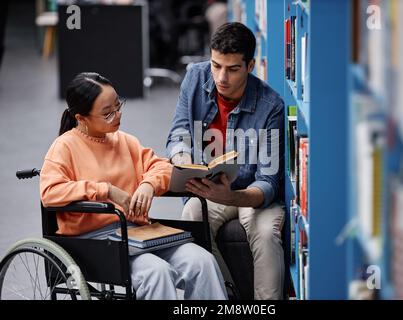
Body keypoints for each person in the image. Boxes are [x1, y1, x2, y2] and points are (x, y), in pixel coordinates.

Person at [40, 72, 227, 300]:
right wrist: (105, 190)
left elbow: (163, 167)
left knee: (202, 261)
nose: (117, 116)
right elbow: (50, 192)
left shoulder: (126, 141)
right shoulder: (64, 147)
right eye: (108, 113)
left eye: (118, 106)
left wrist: (148, 184)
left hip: (139, 232)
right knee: (156, 273)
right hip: (95, 241)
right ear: (82, 118)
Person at [166, 22, 285, 300]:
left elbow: (267, 183)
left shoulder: (272, 106)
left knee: (266, 233)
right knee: (192, 216)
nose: (221, 77)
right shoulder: (195, 77)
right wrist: (182, 158)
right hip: (208, 189)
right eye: (216, 65)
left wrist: (231, 197)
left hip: (249, 194)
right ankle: (224, 297)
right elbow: (179, 132)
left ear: (250, 66)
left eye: (232, 69)